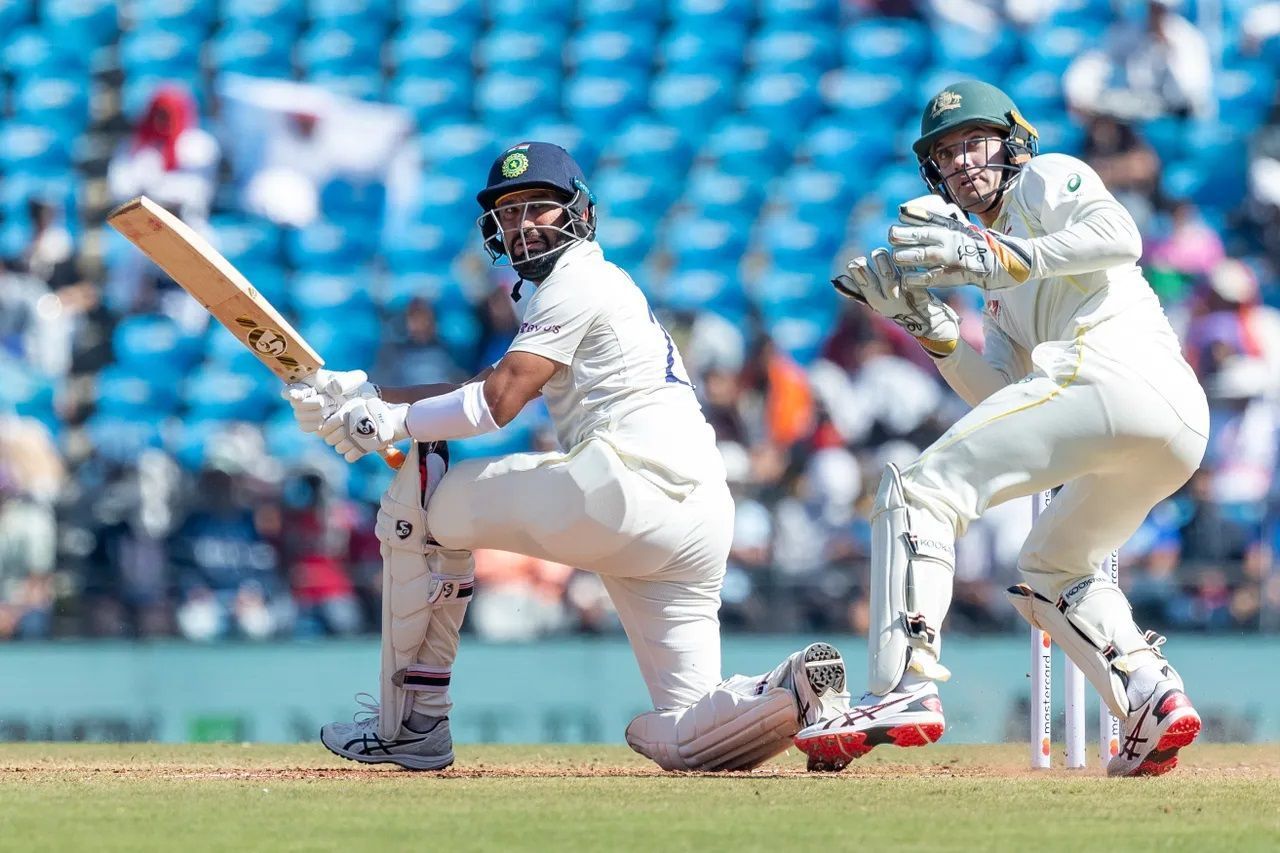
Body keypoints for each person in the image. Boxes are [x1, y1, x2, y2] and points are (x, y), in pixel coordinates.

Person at [283, 142, 848, 771]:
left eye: (539, 206)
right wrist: (364, 395)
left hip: (628, 488)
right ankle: (798, 691)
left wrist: (386, 422)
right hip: (697, 516)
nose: (522, 223)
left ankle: (413, 724)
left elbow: (496, 403)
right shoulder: (569, 289)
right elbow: (484, 382)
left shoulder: (577, 276)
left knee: (421, 500)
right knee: (682, 735)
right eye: (508, 211)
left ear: (579, 212)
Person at [794, 81, 1209, 778]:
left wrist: (1004, 255)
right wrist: (934, 331)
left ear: (1013, 142)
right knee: (1051, 565)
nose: (961, 163)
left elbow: (1121, 238)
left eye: (974, 143)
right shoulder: (996, 294)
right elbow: (1011, 398)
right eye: (946, 154)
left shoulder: (1046, 179)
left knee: (917, 490)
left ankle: (903, 685)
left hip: (1114, 372)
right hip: (1161, 427)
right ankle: (1148, 694)